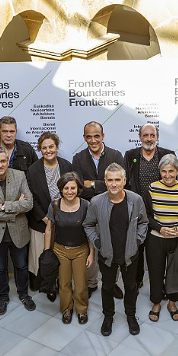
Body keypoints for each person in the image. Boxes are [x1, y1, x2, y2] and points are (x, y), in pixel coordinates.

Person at [83, 163, 148, 337]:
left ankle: (131, 316)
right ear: (105, 181)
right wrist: (97, 242)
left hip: (130, 255)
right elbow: (88, 224)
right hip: (107, 255)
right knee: (107, 288)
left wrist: (137, 241)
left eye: (117, 180)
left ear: (124, 181)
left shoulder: (136, 200)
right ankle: (108, 316)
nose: (114, 184)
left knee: (131, 287)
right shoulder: (96, 202)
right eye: (110, 180)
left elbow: (143, 222)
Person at [0, 146, 36, 315]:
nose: (0, 165)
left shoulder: (19, 175)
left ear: (8, 161)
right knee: (0, 268)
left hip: (19, 232)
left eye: (3, 161)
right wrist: (15, 210)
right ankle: (3, 297)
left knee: (21, 266)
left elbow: (28, 204)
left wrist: (3, 207)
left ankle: (23, 295)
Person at [72, 121, 126, 298]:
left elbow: (120, 186)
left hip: (113, 211)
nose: (93, 140)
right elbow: (79, 188)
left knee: (114, 249)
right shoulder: (78, 158)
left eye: (97, 136)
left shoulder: (116, 155)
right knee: (92, 249)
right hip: (90, 212)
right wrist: (105, 186)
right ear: (84, 138)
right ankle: (92, 283)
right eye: (89, 137)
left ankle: (112, 283)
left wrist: (93, 184)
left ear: (103, 136)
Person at [143, 154, 178, 322]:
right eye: (164, 171)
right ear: (160, 172)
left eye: (171, 171)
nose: (167, 175)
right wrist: (160, 228)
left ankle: (172, 303)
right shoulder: (151, 188)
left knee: (175, 273)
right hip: (156, 239)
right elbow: (146, 216)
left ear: (177, 170)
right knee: (155, 272)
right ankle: (156, 302)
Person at [125, 123, 175, 290]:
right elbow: (127, 182)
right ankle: (138, 279)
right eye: (145, 135)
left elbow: (175, 180)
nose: (149, 139)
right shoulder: (130, 155)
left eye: (152, 135)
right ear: (140, 137)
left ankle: (164, 282)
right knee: (137, 248)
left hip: (161, 211)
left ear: (157, 137)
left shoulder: (167, 155)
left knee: (159, 250)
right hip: (138, 211)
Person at [43, 172, 94, 325]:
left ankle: (82, 310)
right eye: (66, 188)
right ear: (61, 189)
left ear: (78, 189)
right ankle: (66, 309)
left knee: (81, 284)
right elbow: (48, 230)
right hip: (60, 250)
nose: (69, 191)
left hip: (81, 251)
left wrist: (91, 253)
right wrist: (47, 252)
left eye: (73, 188)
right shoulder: (54, 205)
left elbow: (91, 231)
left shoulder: (86, 205)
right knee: (64, 283)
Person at [27, 132, 73, 297]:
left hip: (65, 219)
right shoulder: (33, 170)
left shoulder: (67, 166)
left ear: (57, 147)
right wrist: (44, 217)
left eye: (51, 147)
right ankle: (49, 286)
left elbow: (73, 192)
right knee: (46, 256)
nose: (48, 151)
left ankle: (62, 283)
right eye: (44, 148)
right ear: (40, 149)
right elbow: (31, 197)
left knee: (62, 255)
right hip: (41, 221)